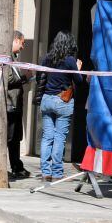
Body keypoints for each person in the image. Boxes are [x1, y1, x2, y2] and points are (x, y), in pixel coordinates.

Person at [34, 31, 83, 182]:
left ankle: (45, 172)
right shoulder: (69, 60)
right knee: (59, 137)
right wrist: (78, 68)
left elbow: (38, 77)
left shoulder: (47, 58)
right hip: (63, 101)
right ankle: (56, 172)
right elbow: (79, 81)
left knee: (47, 136)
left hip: (47, 99)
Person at [6, 31, 31, 179]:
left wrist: (25, 79)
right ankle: (16, 167)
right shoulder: (7, 57)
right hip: (10, 104)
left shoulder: (13, 58)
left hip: (15, 105)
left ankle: (17, 167)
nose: (23, 47)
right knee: (11, 138)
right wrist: (24, 77)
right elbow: (8, 79)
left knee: (15, 138)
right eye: (22, 43)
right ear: (16, 40)